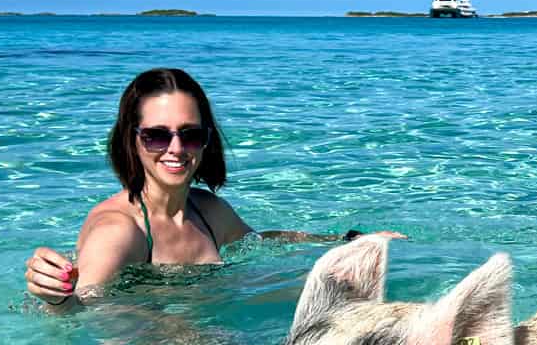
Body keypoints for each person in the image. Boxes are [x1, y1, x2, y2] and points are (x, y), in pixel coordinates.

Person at [25, 68, 381, 309]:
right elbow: (83, 308)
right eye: (156, 135)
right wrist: (55, 296)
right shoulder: (119, 231)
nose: (176, 149)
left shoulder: (207, 211)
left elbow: (259, 241)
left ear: (207, 140)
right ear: (131, 141)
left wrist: (346, 241)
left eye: (191, 135)